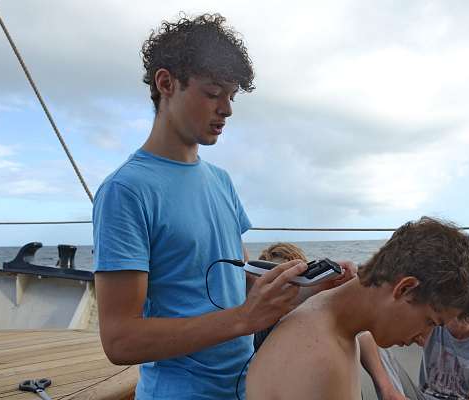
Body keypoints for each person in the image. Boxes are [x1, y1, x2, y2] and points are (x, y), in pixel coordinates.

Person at [92, 13, 354, 399]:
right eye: (213, 93)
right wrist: (244, 319)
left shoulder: (221, 181)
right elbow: (120, 341)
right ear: (166, 83)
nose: (227, 109)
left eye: (231, 96)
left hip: (244, 387)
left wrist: (314, 290)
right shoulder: (126, 191)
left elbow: (243, 288)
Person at [246, 217, 469, 400]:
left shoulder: (332, 322)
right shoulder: (321, 360)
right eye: (431, 322)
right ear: (404, 289)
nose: (424, 339)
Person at [359, 316, 469, 400]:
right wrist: (388, 391)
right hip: (420, 397)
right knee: (377, 347)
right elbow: (366, 339)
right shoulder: (432, 322)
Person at [253, 242, 309, 351]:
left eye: (292, 275)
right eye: (275, 278)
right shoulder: (261, 322)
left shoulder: (313, 310)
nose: (283, 283)